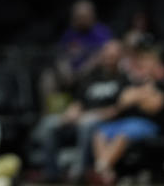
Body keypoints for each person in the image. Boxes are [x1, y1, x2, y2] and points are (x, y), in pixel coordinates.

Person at [29, 38, 128, 183]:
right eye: (106, 55)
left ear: (120, 57)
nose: (108, 59)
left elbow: (119, 109)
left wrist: (91, 115)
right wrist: (71, 112)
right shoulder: (92, 77)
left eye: (112, 56)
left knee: (86, 124)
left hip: (104, 122)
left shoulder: (124, 79)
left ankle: (79, 173)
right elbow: (79, 101)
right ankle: (51, 173)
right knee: (50, 124)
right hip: (82, 117)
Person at [88, 44, 164, 185]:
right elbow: (123, 101)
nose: (144, 66)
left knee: (123, 134)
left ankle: (101, 169)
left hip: (149, 124)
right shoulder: (132, 82)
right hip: (127, 121)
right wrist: (143, 95)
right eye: (142, 62)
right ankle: (106, 172)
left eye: (148, 62)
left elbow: (153, 107)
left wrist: (137, 96)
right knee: (100, 132)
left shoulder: (162, 85)